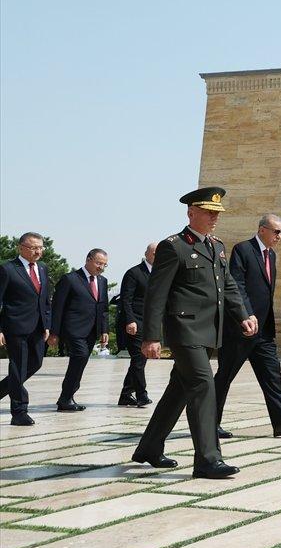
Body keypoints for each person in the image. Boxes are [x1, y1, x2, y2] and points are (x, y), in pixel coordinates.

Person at [130, 187, 258, 478]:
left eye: (217, 213)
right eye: (208, 212)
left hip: (210, 330)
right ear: (191, 212)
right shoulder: (173, 246)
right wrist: (152, 337)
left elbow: (228, 286)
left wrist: (243, 315)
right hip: (184, 329)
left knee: (179, 390)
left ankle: (149, 448)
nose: (214, 218)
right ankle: (208, 460)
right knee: (203, 386)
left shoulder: (217, 245)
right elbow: (156, 295)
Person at [214, 214, 281, 438]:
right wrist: (245, 315)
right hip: (240, 329)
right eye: (277, 232)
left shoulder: (271, 256)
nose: (280, 237)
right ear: (262, 229)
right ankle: (209, 424)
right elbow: (237, 286)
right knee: (224, 376)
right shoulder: (243, 250)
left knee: (272, 375)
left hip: (264, 331)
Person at [0, 232, 52, 425]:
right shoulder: (7, 269)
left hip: (38, 327)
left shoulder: (43, 268)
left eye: (40, 247)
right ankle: (19, 412)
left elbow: (45, 299)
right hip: (15, 327)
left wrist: (47, 324)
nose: (37, 251)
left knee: (35, 364)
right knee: (18, 365)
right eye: (32, 247)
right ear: (20, 248)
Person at [49, 248, 110, 411]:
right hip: (72, 329)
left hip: (92, 330)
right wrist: (54, 332)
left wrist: (104, 330)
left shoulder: (102, 281)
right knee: (80, 357)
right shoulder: (70, 279)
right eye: (98, 263)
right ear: (88, 259)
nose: (101, 268)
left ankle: (67, 397)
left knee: (80, 362)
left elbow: (103, 308)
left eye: (104, 265)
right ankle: (65, 398)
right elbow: (58, 307)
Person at [117, 243, 156, 407]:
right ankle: (141, 394)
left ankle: (126, 394)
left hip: (149, 322)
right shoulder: (134, 273)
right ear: (147, 253)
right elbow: (125, 299)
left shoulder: (160, 273)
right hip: (134, 321)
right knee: (139, 358)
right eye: (154, 252)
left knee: (140, 359)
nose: (157, 256)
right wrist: (130, 320)